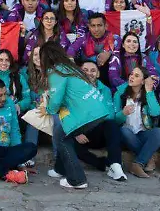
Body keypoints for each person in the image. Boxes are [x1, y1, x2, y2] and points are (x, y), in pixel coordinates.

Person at [37, 46, 126, 189]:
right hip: (97, 110)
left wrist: (48, 109)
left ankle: (77, 179)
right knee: (61, 133)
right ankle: (60, 169)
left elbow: (56, 99)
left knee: (61, 138)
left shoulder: (55, 71)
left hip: (85, 114)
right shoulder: (70, 68)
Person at [112, 67, 160, 178]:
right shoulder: (120, 94)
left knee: (159, 132)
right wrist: (123, 113)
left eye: (136, 76)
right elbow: (115, 120)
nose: (131, 77)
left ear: (143, 81)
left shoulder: (148, 93)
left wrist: (149, 92)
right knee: (124, 131)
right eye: (131, 74)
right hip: (125, 134)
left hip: (142, 133)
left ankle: (137, 163)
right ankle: (146, 159)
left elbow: (156, 113)